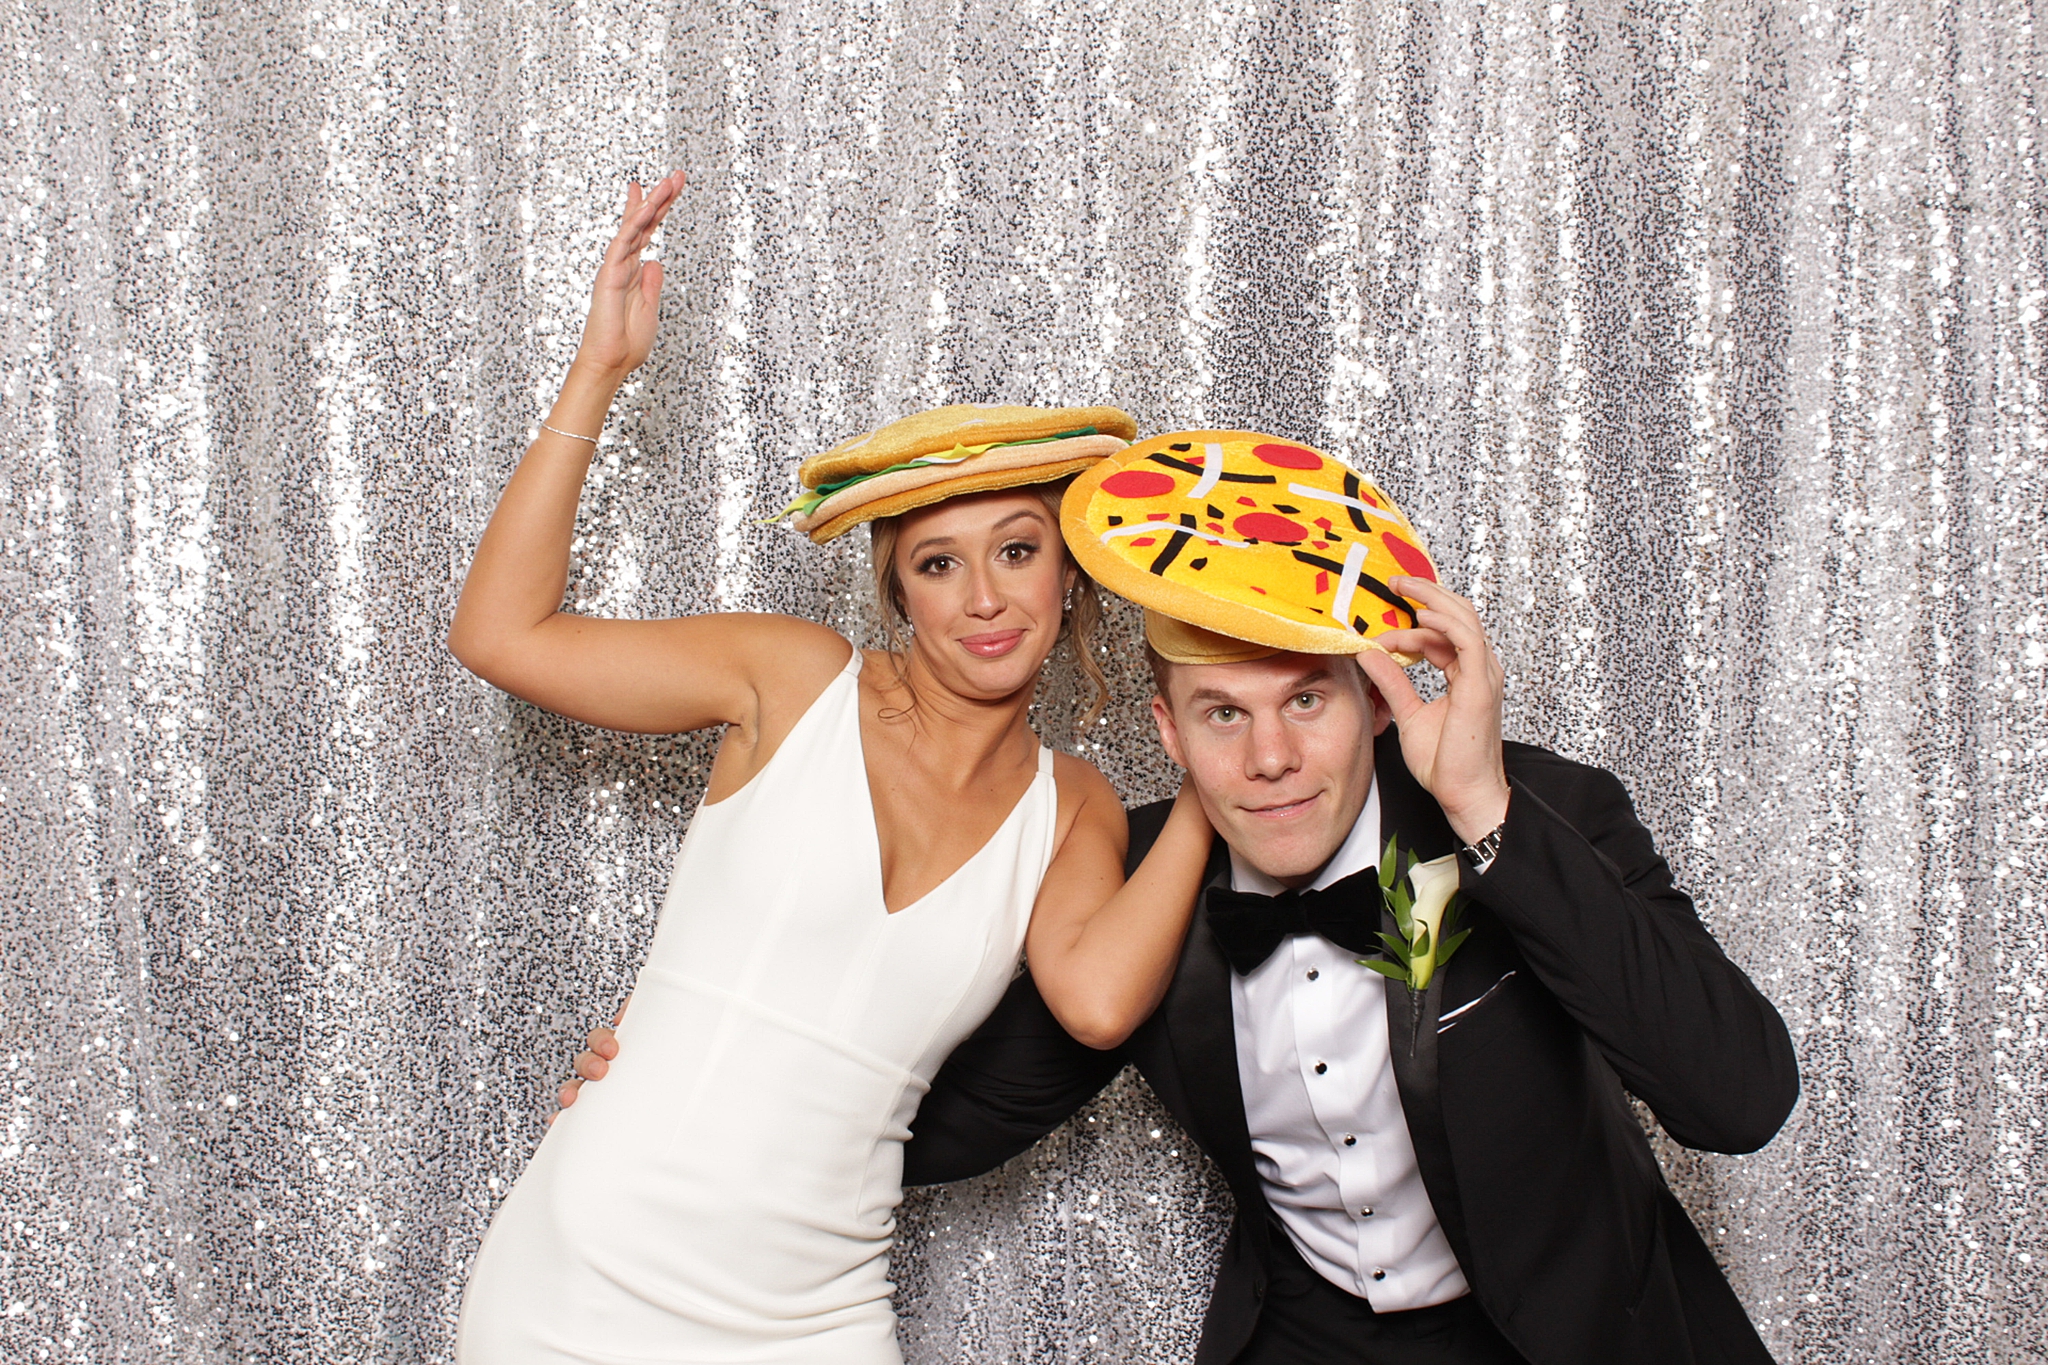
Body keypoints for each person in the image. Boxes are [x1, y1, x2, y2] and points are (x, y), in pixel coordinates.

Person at [567, 431, 1800, 1364]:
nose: (1267, 759)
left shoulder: (1537, 815)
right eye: (1223, 715)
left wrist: (1482, 813)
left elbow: (1736, 1098)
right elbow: (946, 1113)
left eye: (1304, 702)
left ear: (1373, 697)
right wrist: (693, 1091)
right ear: (1167, 731)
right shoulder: (1142, 884)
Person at [447, 175, 1214, 1365]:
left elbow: (1098, 1001)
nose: (985, 599)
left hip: (816, 1309)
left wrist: (1220, 773)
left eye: (1017, 550)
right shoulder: (791, 680)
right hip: (588, 1273)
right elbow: (502, 636)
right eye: (937, 564)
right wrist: (597, 374)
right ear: (894, 588)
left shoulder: (1073, 807)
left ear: (1069, 578)